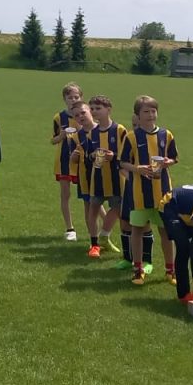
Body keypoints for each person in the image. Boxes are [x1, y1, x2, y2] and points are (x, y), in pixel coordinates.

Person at [119, 95, 178, 286]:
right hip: (139, 193)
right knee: (137, 230)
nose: (150, 115)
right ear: (137, 115)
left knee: (166, 232)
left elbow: (174, 157)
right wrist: (137, 169)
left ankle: (170, 270)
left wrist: (168, 162)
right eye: (146, 111)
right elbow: (123, 162)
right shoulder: (131, 137)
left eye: (153, 111)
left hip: (163, 193)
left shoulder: (166, 135)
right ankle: (138, 270)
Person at [84, 95, 126, 261]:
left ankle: (105, 235)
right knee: (93, 209)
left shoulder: (119, 130)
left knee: (117, 209)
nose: (94, 112)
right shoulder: (92, 133)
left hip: (116, 178)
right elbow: (88, 155)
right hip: (97, 178)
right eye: (92, 109)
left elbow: (126, 154)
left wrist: (113, 156)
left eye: (98, 108)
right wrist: (93, 155)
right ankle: (94, 244)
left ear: (108, 109)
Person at [49, 82, 83, 242]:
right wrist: (61, 136)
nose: (73, 100)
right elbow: (53, 140)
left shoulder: (84, 115)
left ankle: (104, 224)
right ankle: (70, 228)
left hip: (82, 160)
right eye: (70, 97)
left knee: (90, 195)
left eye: (76, 97)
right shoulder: (59, 117)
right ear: (64, 99)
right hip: (63, 161)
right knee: (65, 194)